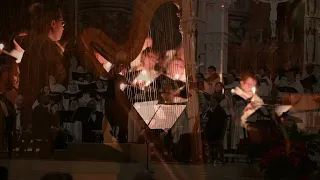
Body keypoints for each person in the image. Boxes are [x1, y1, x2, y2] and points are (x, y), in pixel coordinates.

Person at [18, 2, 67, 120]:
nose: (64, 27)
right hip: (49, 114)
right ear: (53, 23)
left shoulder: (29, 50)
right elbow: (62, 81)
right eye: (62, 22)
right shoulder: (53, 51)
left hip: (30, 114)